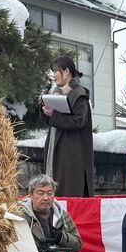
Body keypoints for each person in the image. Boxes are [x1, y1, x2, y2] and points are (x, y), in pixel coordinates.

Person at [41, 56, 95, 198]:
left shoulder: (79, 94)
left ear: (66, 72)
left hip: (72, 156)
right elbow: (52, 121)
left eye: (56, 71)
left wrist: (54, 115)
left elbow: (79, 121)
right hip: (58, 152)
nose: (53, 75)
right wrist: (44, 109)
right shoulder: (57, 93)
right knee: (57, 191)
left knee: (69, 193)